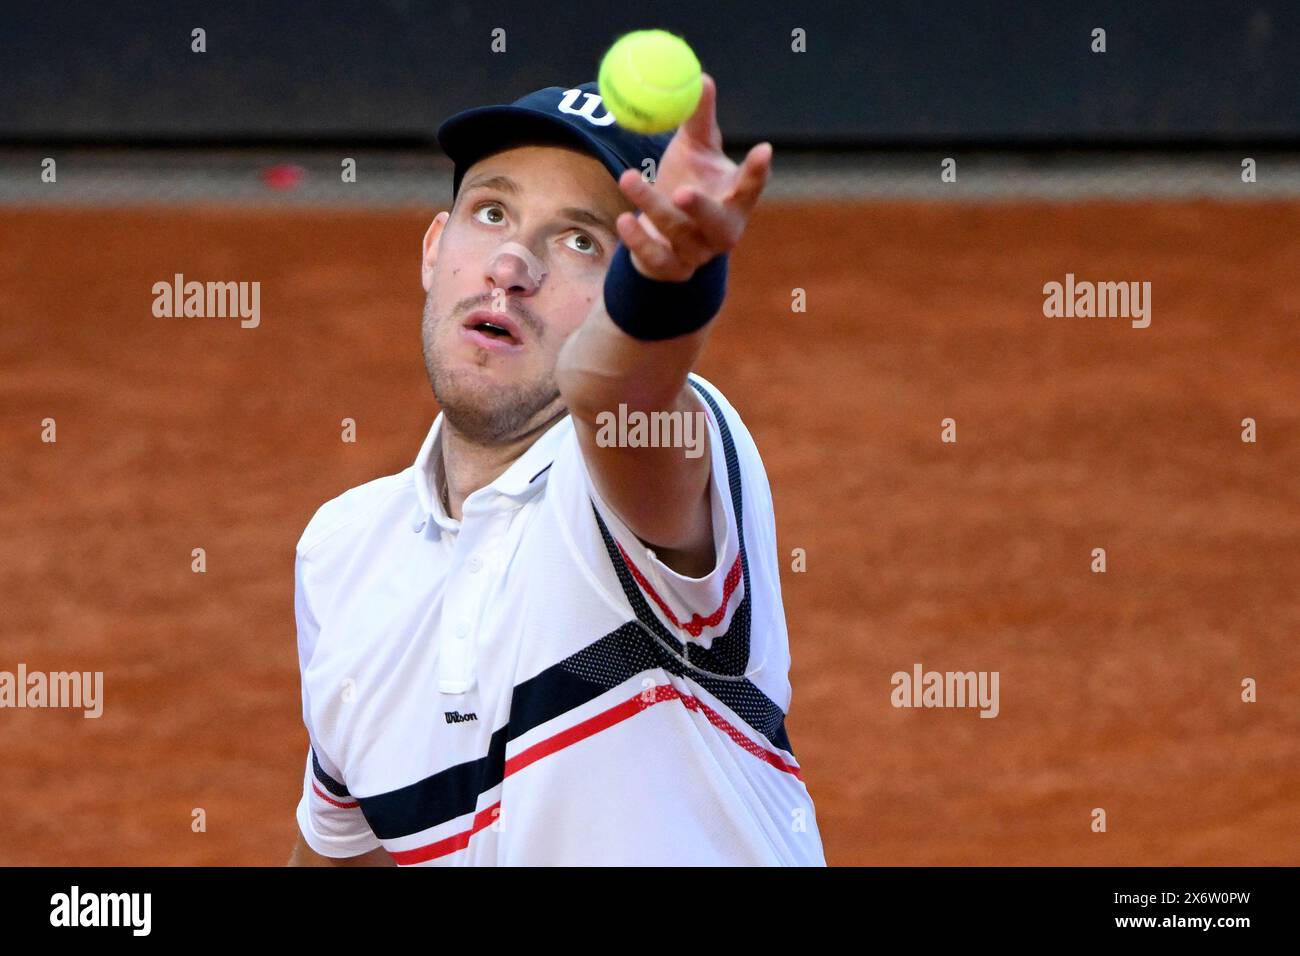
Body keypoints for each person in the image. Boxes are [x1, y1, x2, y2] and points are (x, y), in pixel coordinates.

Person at [288, 76, 825, 866]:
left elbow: (619, 390)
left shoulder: (641, 481)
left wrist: (667, 291)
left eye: (581, 241)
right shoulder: (340, 554)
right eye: (493, 213)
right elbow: (343, 852)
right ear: (435, 249)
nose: (511, 263)